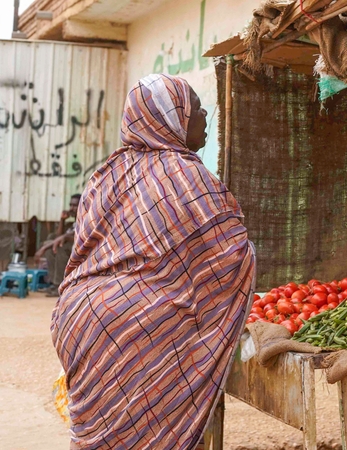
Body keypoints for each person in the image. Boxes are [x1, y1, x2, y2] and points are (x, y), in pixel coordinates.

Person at [51, 74, 255, 449]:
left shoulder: (104, 175)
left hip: (78, 319)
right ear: (172, 117)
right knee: (147, 432)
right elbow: (233, 257)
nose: (204, 113)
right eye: (193, 107)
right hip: (138, 326)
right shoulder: (189, 176)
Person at [33, 194, 81, 295]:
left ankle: (60, 285)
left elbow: (71, 238)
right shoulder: (73, 222)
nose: (71, 208)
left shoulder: (84, 220)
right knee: (51, 243)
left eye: (75, 205)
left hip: (78, 252)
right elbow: (58, 237)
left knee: (59, 247)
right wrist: (62, 220)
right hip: (67, 248)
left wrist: (42, 249)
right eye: (70, 205)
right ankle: (54, 284)